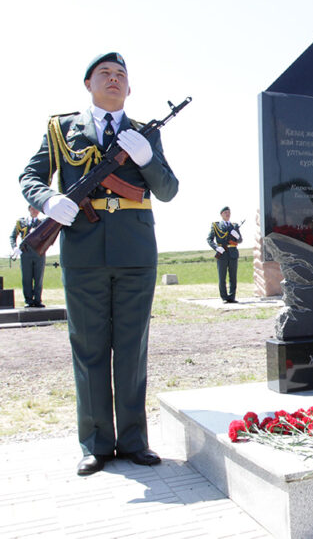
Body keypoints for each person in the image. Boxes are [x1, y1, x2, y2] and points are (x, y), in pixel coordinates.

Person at [19, 52, 179, 476]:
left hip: (135, 253)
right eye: (104, 73)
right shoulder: (61, 129)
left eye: (121, 75)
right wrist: (49, 199)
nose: (114, 79)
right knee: (89, 349)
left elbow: (168, 190)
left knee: (132, 349)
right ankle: (95, 444)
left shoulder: (144, 134)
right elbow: (30, 176)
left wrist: (147, 158)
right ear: (88, 83)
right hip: (84, 253)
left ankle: (132, 441)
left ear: (130, 88)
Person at [9, 205, 46, 307]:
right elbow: (12, 236)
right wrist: (15, 247)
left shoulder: (42, 223)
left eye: (37, 209)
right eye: (33, 208)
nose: (35, 211)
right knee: (27, 277)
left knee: (38, 277)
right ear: (29, 209)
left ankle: (38, 300)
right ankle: (28, 300)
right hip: (25, 252)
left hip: (39, 252)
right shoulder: (21, 222)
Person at [207, 206, 243, 303]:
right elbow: (209, 239)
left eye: (229, 212)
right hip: (222, 253)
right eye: (225, 212)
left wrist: (237, 236)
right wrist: (216, 247)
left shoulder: (234, 225)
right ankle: (224, 297)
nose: (228, 214)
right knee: (222, 277)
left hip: (233, 253)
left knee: (233, 277)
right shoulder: (216, 225)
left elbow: (240, 240)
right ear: (221, 214)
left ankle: (232, 297)